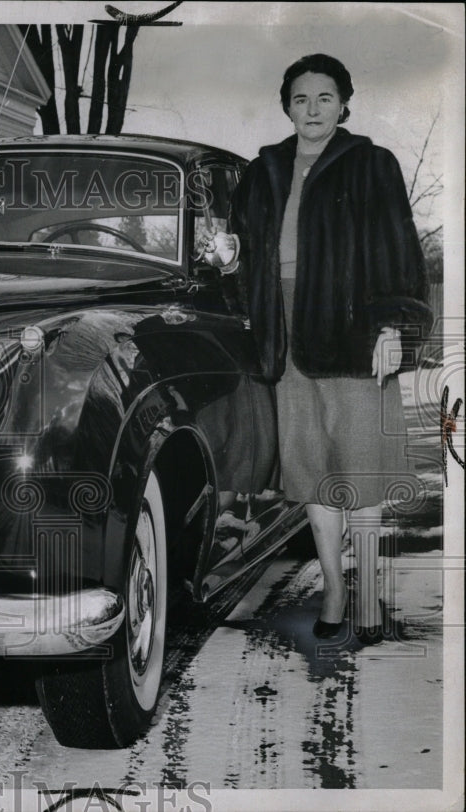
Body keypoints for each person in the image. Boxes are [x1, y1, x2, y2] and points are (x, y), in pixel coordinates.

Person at [202, 53, 432, 644]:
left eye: (324, 98)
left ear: (344, 104)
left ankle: (370, 590)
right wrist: (229, 258)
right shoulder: (265, 169)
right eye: (301, 99)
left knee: (361, 473)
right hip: (283, 338)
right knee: (311, 474)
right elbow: (242, 253)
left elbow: (399, 252)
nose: (312, 109)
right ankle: (334, 587)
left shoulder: (372, 164)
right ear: (287, 106)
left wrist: (395, 328)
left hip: (354, 334)